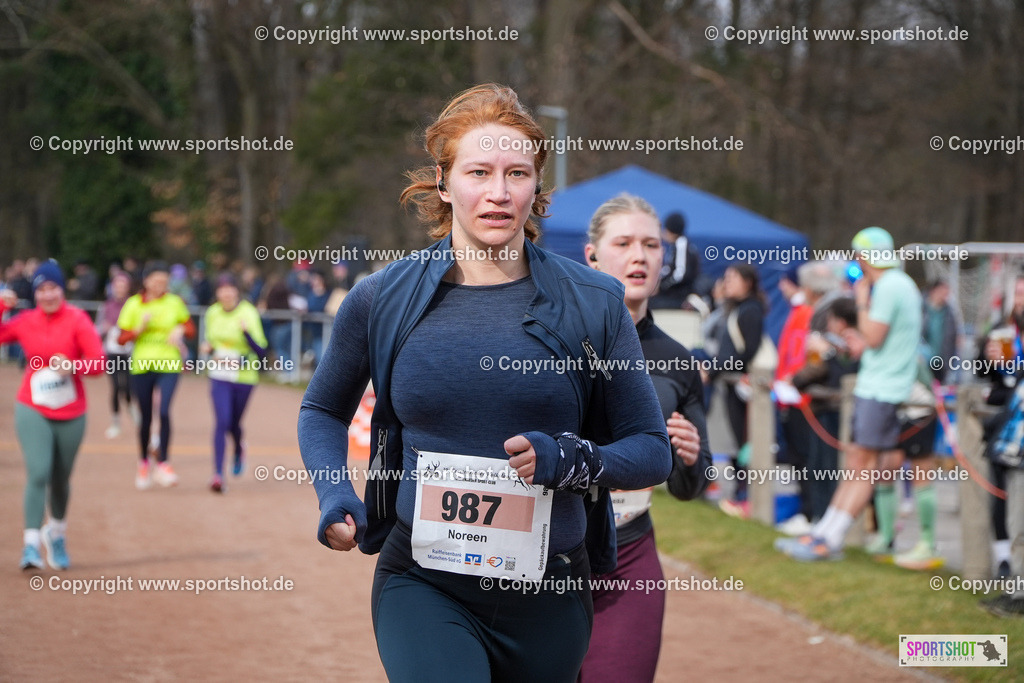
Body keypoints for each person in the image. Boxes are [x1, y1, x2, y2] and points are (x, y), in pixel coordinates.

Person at [297, 83, 672, 682]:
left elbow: (651, 449)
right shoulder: (382, 298)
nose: (499, 193)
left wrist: (569, 460)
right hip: (422, 580)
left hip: (550, 589)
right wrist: (334, 493)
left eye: (517, 173)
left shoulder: (593, 303)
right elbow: (322, 409)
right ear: (444, 184)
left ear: (536, 187)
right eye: (479, 172)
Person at [579, 194, 710, 682]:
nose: (640, 255)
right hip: (544, 558)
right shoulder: (549, 342)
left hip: (629, 555)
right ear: (592, 256)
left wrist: (691, 458)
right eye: (625, 243)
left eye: (652, 244)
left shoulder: (678, 361)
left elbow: (691, 487)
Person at [778, 227, 922, 561]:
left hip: (882, 389)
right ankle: (823, 533)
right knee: (857, 464)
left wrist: (860, 298)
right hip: (878, 384)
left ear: (864, 256)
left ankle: (831, 538)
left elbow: (871, 337)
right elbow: (871, 345)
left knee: (863, 467)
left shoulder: (887, 286)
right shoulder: (900, 285)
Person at [0, 260, 105, 570]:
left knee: (60, 479)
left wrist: (73, 366)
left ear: (63, 290)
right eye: (42, 289)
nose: (48, 295)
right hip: (32, 406)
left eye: (53, 288)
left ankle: (56, 533)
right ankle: (30, 545)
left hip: (72, 411)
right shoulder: (26, 320)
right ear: (35, 294)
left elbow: (98, 364)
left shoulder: (77, 320)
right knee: (39, 472)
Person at [116, 261, 194, 489]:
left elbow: (190, 329)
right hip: (142, 365)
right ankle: (143, 462)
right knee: (146, 417)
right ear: (146, 281)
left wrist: (181, 329)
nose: (161, 285)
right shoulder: (133, 304)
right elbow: (121, 338)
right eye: (156, 281)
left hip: (169, 364)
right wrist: (137, 330)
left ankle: (163, 463)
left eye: (164, 282)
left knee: (164, 410)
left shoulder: (174, 302)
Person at [201, 274, 267, 493]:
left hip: (244, 376)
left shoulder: (248, 312)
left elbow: (262, 351)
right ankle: (218, 474)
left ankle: (239, 449)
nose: (226, 293)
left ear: (237, 291)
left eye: (230, 288)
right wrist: (208, 349)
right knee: (222, 421)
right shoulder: (212, 313)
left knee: (234, 423)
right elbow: (211, 342)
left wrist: (246, 333)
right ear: (217, 293)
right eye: (222, 289)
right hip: (220, 375)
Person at [709, 263, 767, 512]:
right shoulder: (736, 308)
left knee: (743, 439)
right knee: (735, 440)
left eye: (733, 278)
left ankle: (746, 498)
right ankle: (738, 495)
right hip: (731, 385)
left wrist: (714, 369)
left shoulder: (751, 311)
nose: (727, 282)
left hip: (743, 386)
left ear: (748, 282)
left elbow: (748, 352)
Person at [96, 271, 136, 438]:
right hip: (111, 352)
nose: (119, 289)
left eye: (123, 286)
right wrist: (103, 329)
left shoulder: (132, 305)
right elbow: (96, 329)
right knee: (115, 387)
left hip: (128, 352)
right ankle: (115, 422)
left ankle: (132, 411)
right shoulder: (106, 306)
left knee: (127, 386)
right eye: (117, 286)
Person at [650, 211, 700, 309]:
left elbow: (679, 274)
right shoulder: (677, 246)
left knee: (650, 304)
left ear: (671, 231)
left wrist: (661, 287)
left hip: (679, 295)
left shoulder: (681, 245)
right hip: (676, 293)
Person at [921, 279, 958, 384]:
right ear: (933, 291)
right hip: (923, 360)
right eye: (942, 291)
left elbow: (953, 337)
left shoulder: (949, 312)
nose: (945, 295)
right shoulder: (921, 308)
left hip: (941, 361)